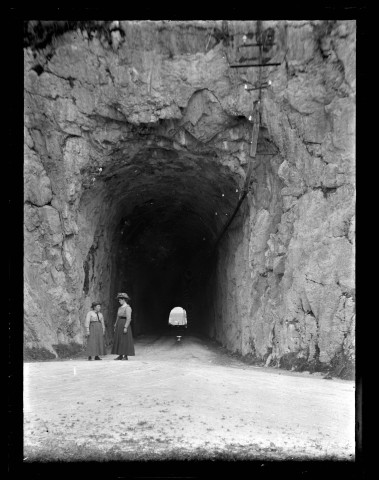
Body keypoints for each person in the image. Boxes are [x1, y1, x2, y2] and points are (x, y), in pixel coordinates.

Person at [112, 293, 135, 360]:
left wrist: (125, 327)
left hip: (124, 323)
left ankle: (125, 355)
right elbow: (117, 317)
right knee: (119, 339)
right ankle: (120, 355)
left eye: (120, 300)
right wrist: (115, 325)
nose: (119, 301)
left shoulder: (128, 308)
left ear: (124, 300)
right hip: (119, 324)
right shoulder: (119, 308)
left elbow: (128, 318)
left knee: (124, 340)